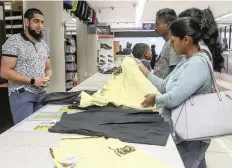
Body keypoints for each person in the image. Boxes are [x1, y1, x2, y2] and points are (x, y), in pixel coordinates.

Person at [136, 17, 224, 168]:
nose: (171, 44)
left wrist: (155, 100)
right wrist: (145, 72)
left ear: (186, 40)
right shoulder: (186, 60)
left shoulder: (197, 64)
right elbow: (165, 85)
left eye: (173, 40)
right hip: (186, 132)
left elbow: (173, 98)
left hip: (192, 136)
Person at [1, 8, 52, 124]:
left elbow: (48, 68)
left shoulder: (43, 44)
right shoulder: (14, 41)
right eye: (36, 21)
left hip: (42, 94)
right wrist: (33, 81)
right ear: (26, 22)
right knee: (24, 132)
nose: (40, 25)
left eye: (42, 22)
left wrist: (47, 77)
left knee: (41, 130)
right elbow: (4, 71)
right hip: (22, 94)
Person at [154, 8, 182, 79]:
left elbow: (176, 72)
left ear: (168, 25)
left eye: (157, 24)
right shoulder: (167, 43)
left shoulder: (173, 44)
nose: (155, 28)